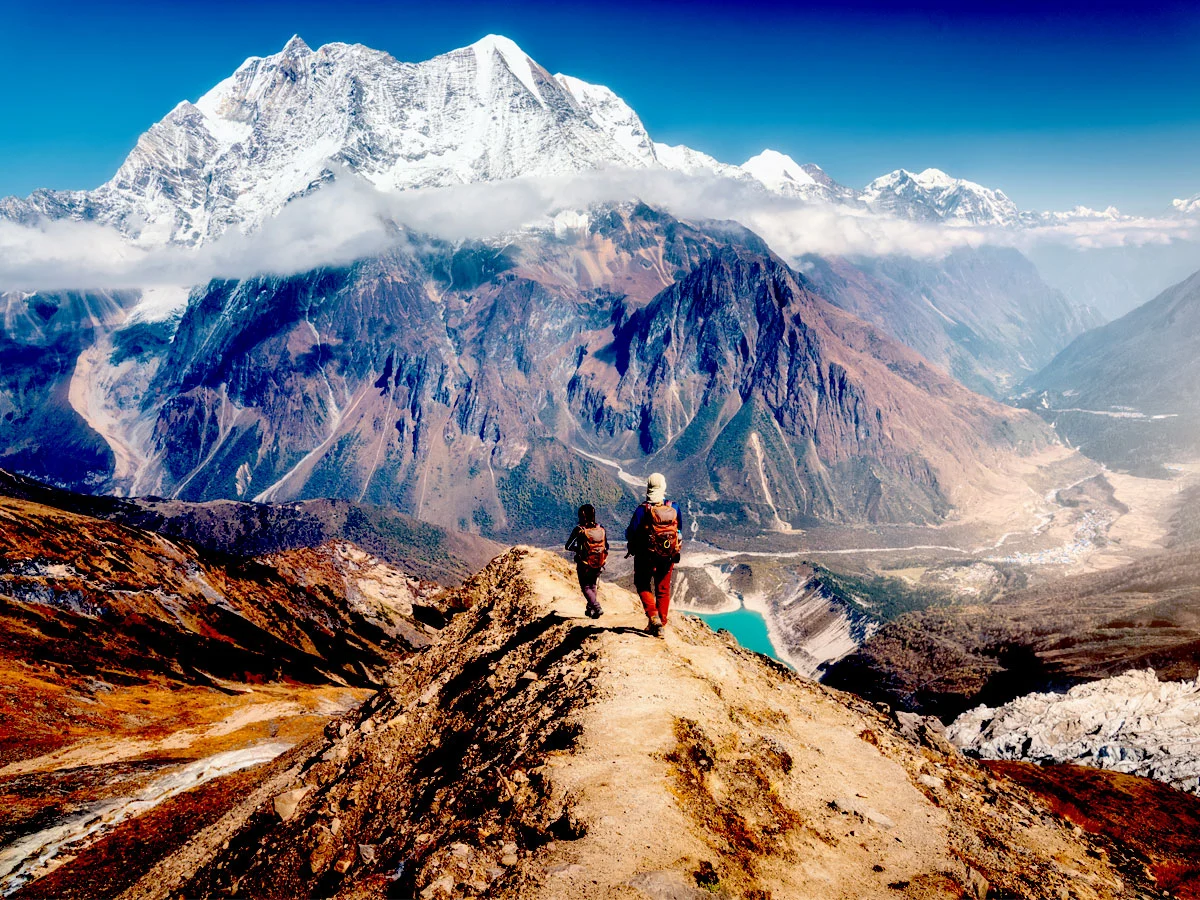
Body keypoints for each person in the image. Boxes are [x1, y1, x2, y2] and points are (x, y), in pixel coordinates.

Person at [625, 473, 683, 637]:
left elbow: (631, 533)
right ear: (663, 487)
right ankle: (661, 625)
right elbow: (679, 531)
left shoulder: (642, 510)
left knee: (642, 584)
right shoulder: (674, 507)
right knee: (663, 589)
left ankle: (653, 617)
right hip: (668, 556)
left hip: (646, 557)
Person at [565, 504, 608, 619]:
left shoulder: (579, 530)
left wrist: (578, 549)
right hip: (599, 562)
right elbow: (606, 546)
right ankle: (590, 610)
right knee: (593, 585)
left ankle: (596, 607)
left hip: (584, 563)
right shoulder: (600, 528)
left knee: (586, 587)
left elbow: (568, 546)